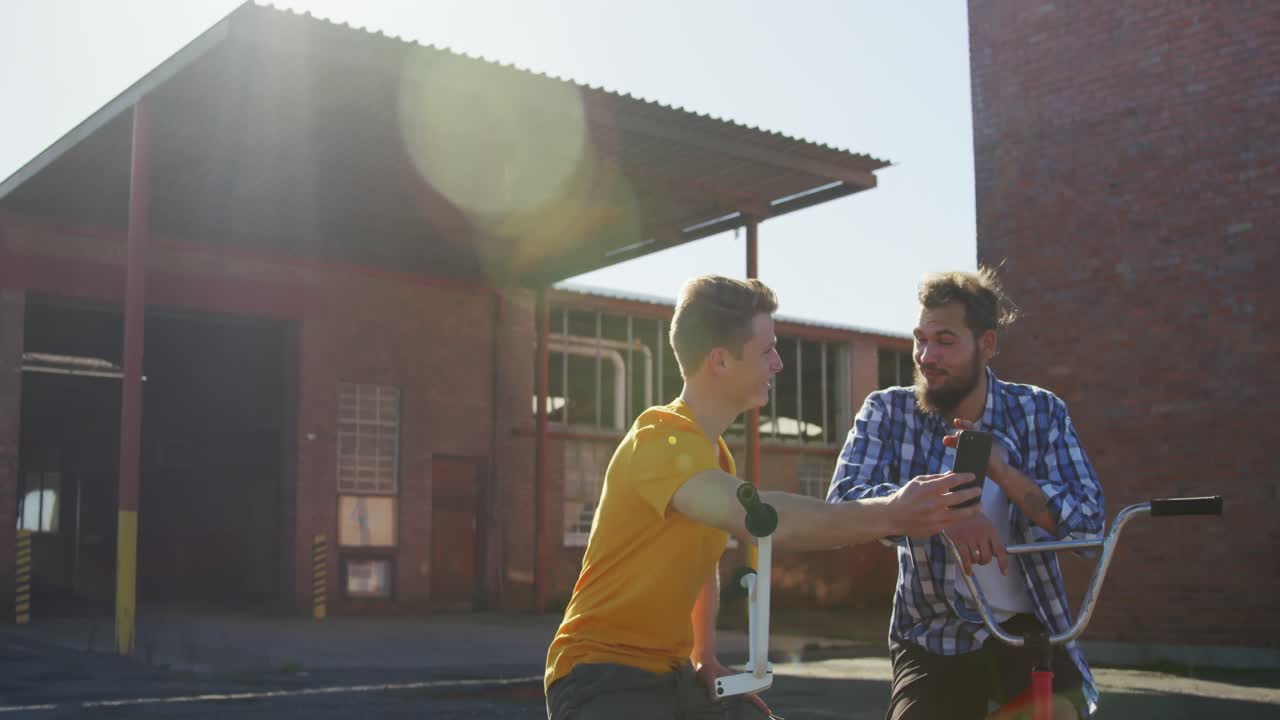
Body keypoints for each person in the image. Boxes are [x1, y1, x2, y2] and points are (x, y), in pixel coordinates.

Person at [545, 275, 984, 720]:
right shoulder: (660, 440)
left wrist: (704, 655)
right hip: (601, 675)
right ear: (720, 360)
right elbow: (760, 518)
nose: (777, 363)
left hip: (670, 676)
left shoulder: (712, 456)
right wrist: (892, 512)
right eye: (766, 350)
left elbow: (700, 564)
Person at [828, 268, 1106, 719]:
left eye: (945, 341)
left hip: (1028, 629)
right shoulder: (888, 411)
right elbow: (843, 503)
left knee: (1061, 713)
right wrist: (947, 514)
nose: (925, 355)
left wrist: (1003, 469)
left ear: (987, 345)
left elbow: (1090, 523)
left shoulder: (1039, 411)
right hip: (934, 631)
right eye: (920, 338)